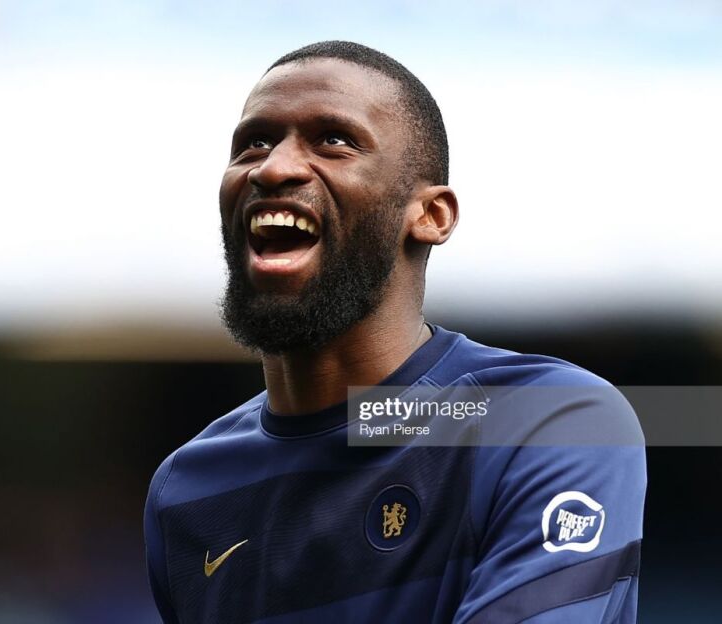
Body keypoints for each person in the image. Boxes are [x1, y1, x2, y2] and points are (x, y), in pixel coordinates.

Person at [144, 40, 646, 623]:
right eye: (254, 142)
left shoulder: (547, 419)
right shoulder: (186, 489)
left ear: (430, 215)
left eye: (334, 140)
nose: (273, 167)